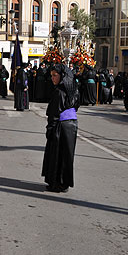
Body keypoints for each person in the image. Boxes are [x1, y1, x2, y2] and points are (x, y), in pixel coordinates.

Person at [42, 64, 79, 193]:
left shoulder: (59, 92)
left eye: (55, 75)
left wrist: (50, 129)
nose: (52, 78)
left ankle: (56, 183)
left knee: (56, 155)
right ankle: (64, 183)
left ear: (62, 76)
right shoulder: (73, 89)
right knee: (67, 156)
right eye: (51, 75)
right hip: (72, 125)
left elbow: (54, 113)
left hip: (60, 126)